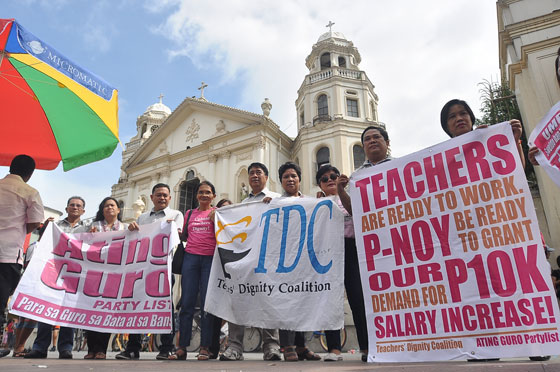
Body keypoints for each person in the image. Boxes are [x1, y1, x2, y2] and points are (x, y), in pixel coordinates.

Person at [337, 126, 390, 362]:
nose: (371, 142)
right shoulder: (357, 177)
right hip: (367, 244)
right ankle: (368, 346)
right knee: (361, 297)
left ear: (387, 142)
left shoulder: (402, 166)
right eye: (366, 139)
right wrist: (340, 189)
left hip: (396, 240)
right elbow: (353, 211)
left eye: (376, 137)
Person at [220, 162, 282, 361]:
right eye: (251, 173)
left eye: (259, 172)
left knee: (267, 300)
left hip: (268, 259)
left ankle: (271, 346)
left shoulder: (277, 198)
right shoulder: (242, 204)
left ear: (266, 176)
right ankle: (235, 346)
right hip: (245, 260)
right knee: (238, 300)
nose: (255, 176)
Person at [115, 184, 184, 361]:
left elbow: (177, 236)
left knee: (165, 306)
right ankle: (132, 348)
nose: (162, 198)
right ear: (151, 197)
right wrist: (131, 229)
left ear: (170, 198)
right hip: (142, 268)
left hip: (163, 268)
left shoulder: (176, 215)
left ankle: (166, 347)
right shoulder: (143, 217)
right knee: (137, 305)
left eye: (165, 195)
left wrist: (172, 228)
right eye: (158, 195)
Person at [316, 165, 369, 362]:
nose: (329, 179)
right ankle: (334, 349)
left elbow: (354, 211)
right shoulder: (315, 203)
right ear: (319, 185)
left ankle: (366, 347)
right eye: (324, 178)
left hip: (351, 249)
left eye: (333, 176)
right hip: (329, 253)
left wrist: (341, 190)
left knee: (357, 298)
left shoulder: (350, 195)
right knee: (330, 301)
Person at [25, 196, 87, 359]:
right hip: (52, 272)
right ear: (66, 209)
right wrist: (45, 228)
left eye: (78, 206)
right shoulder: (55, 226)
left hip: (74, 275)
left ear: (83, 211)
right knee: (46, 309)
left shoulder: (87, 229)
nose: (75, 207)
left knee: (68, 312)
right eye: (72, 205)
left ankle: (65, 348)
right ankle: (40, 347)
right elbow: (42, 243)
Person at [272, 162, 321, 362]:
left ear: (299, 179)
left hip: (304, 258)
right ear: (281, 181)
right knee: (286, 302)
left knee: (303, 302)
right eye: (286, 177)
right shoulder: (274, 202)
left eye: (293, 176)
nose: (290, 180)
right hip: (283, 260)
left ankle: (301, 346)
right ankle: (288, 346)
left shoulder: (310, 202)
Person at [0, 155, 44, 358]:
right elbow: (36, 222)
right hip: (8, 254)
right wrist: (19, 227)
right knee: (1, 300)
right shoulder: (30, 192)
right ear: (30, 173)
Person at [170, 181, 217, 361]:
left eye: (208, 192)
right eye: (201, 192)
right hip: (190, 259)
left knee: (207, 304)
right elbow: (182, 236)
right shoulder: (189, 214)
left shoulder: (217, 214)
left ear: (213, 196)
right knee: (186, 303)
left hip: (210, 260)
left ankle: (205, 347)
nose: (204, 195)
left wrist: (218, 221)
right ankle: (182, 347)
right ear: (196, 195)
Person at [84, 197, 128, 360]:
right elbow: (83, 245)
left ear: (118, 210)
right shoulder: (94, 227)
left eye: (113, 205)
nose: (109, 208)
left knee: (107, 311)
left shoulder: (124, 228)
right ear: (102, 210)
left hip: (114, 274)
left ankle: (102, 348)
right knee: (91, 310)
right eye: (106, 206)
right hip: (94, 273)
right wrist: (89, 236)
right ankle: (91, 349)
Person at [440, 99, 525, 168]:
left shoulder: (488, 140)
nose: (459, 119)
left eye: (463, 113)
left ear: (471, 118)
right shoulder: (443, 160)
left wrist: (515, 140)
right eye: (452, 116)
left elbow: (516, 171)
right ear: (446, 126)